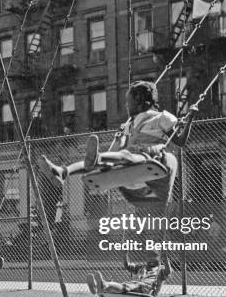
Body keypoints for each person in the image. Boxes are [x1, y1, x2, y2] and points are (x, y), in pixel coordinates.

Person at [41, 81, 196, 204]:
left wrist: (189, 120)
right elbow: (118, 149)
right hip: (133, 168)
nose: (126, 106)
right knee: (112, 159)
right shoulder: (130, 124)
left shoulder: (162, 117)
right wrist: (119, 137)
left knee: (129, 155)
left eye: (129, 103)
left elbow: (180, 142)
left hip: (153, 158)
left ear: (141, 102)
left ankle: (98, 158)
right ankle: (63, 172)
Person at [86, 249, 171, 297]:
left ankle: (103, 285)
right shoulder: (142, 268)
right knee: (124, 286)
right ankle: (97, 287)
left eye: (154, 257)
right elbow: (128, 266)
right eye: (149, 257)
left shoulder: (160, 269)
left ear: (160, 258)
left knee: (128, 286)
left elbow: (168, 272)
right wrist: (125, 256)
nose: (151, 259)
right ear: (146, 259)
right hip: (137, 286)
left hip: (148, 290)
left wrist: (166, 259)